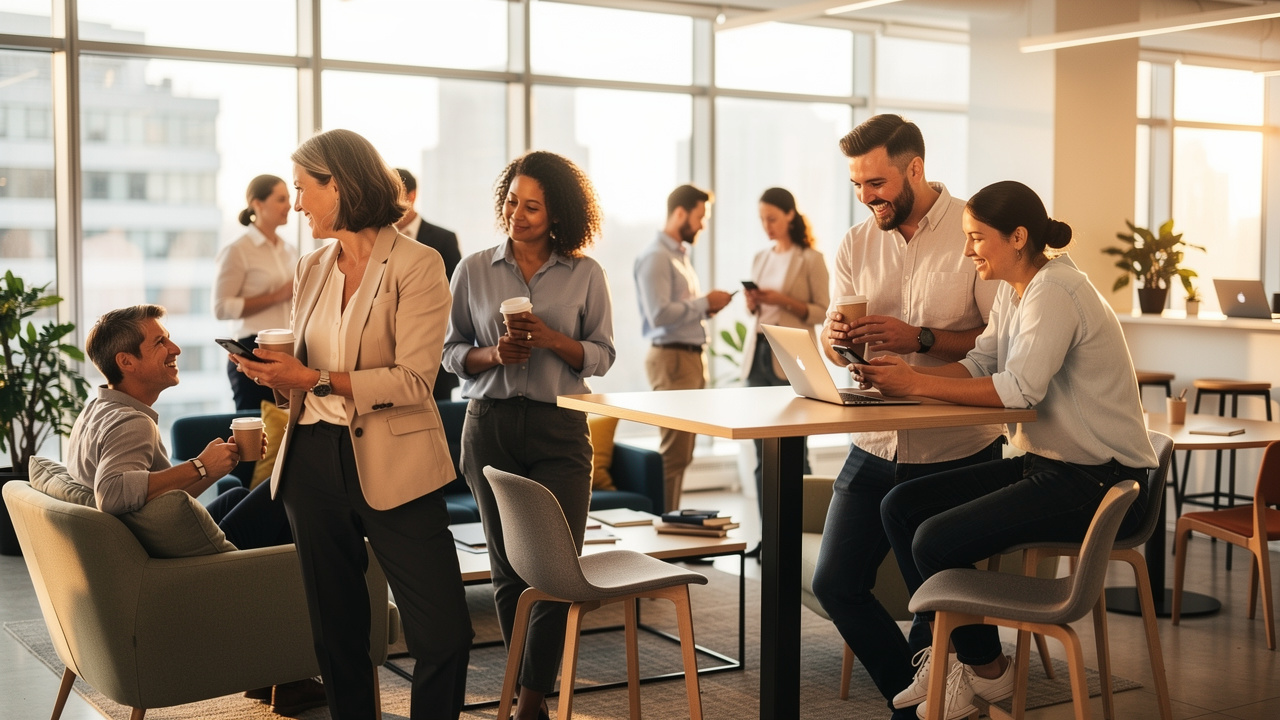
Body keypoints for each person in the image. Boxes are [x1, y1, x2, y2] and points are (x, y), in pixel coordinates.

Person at [869, 181, 1157, 720]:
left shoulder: (1056, 291)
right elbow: (983, 364)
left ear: (1018, 237)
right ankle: (965, 661)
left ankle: (981, 669)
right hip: (1051, 466)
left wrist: (916, 384)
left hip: (1102, 481)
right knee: (901, 506)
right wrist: (903, 381)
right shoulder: (1015, 288)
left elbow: (1021, 389)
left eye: (977, 238)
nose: (966, 250)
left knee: (934, 540)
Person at [232, 129, 472, 720]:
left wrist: (312, 376)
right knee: (336, 635)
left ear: (338, 184)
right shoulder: (312, 266)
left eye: (303, 189)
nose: (297, 204)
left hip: (397, 461)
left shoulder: (419, 263)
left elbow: (414, 381)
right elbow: (304, 371)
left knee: (444, 632)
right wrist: (276, 376)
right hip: (312, 459)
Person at [809, 114, 1004, 720]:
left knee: (934, 600)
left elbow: (997, 344)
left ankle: (924, 709)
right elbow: (835, 343)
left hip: (956, 445)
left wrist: (918, 337)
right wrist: (835, 341)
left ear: (914, 168)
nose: (866, 197)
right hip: (873, 442)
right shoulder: (855, 243)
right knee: (835, 583)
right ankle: (923, 701)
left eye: (876, 183)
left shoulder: (975, 231)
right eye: (857, 185)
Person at [67, 304, 313, 715]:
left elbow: (148, 495)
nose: (175, 348)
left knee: (236, 494)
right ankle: (288, 673)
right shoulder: (131, 423)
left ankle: (275, 671)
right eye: (159, 342)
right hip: (181, 575)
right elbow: (113, 493)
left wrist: (217, 466)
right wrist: (199, 466)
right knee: (289, 486)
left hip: (152, 551)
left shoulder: (99, 409)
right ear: (126, 362)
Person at [443, 150, 613, 720]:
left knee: (557, 571)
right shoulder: (473, 269)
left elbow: (602, 355)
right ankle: (527, 700)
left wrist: (550, 339)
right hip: (489, 427)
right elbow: (449, 353)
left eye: (532, 207)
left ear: (558, 213)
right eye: (512, 201)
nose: (517, 214)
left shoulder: (586, 274)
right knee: (509, 571)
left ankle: (530, 701)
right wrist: (494, 354)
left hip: (559, 429)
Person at [634, 184, 733, 512]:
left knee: (683, 454)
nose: (702, 225)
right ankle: (665, 527)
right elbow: (659, 314)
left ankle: (671, 523)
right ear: (680, 213)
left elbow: (677, 309)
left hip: (687, 359)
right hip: (672, 360)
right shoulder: (656, 257)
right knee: (674, 454)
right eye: (699, 217)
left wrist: (706, 308)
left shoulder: (678, 256)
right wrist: (704, 303)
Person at [741, 186, 829, 514]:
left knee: (794, 451)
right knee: (761, 450)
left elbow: (822, 311)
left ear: (790, 215)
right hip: (759, 357)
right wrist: (753, 302)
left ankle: (803, 527)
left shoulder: (811, 259)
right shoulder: (761, 258)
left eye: (772, 219)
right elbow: (756, 314)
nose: (767, 226)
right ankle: (768, 533)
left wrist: (783, 301)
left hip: (791, 357)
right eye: (762, 219)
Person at [213, 174, 299, 410]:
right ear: (257, 204)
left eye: (289, 198)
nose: (289, 205)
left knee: (288, 422)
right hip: (253, 350)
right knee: (256, 425)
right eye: (281, 199)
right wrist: (277, 296)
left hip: (288, 350)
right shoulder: (237, 250)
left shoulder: (290, 250)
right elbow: (221, 308)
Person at [396, 167, 463, 402]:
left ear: (411, 196)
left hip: (434, 354)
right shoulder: (376, 241)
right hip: (391, 359)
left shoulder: (443, 239)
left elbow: (455, 294)